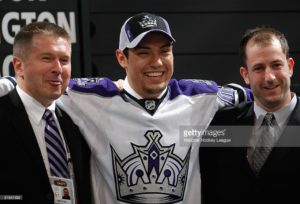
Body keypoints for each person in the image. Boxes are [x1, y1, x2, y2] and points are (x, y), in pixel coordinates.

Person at [0, 13, 251, 204]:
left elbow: (258, 96)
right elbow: (26, 84)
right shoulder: (90, 97)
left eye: (165, 51)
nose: (157, 62)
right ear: (122, 58)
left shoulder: (200, 97)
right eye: (143, 52)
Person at [200, 26, 300, 203]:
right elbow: (208, 187)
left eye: (276, 65)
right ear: (245, 75)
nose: (269, 77)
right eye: (259, 68)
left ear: (290, 67)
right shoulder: (223, 122)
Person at [0, 22, 91, 203]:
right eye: (47, 58)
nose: (58, 69)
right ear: (18, 66)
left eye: (64, 60)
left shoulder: (78, 122)